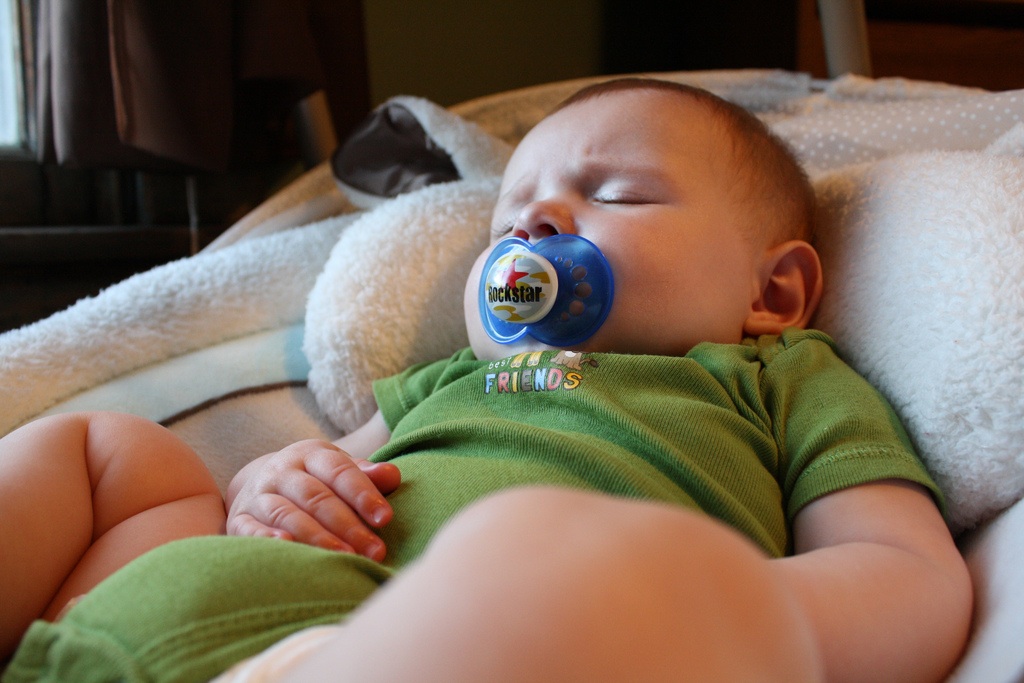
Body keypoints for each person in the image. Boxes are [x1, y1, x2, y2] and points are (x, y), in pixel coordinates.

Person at [0, 78, 971, 683]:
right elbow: (308, 482)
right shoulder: (449, 379)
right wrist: (273, 480)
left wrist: (713, 612)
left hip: (393, 650)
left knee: (538, 543)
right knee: (107, 450)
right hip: (149, 617)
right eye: (508, 218)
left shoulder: (775, 377)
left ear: (773, 289)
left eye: (614, 193)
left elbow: (911, 579)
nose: (534, 224)